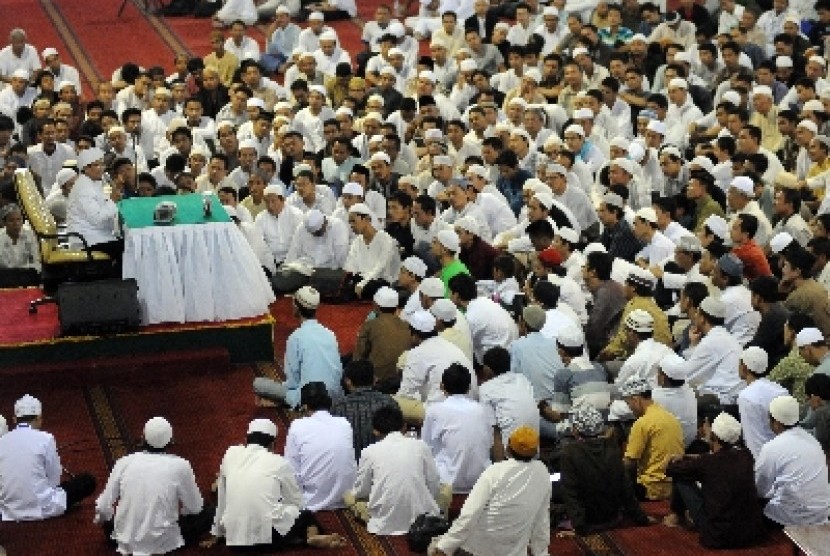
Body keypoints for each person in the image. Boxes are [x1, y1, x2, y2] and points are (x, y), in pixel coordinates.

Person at [203, 418, 347, 550]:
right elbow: (296, 502)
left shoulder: (231, 453)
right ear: (272, 444)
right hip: (270, 540)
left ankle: (298, 538)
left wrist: (216, 533)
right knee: (305, 514)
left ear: (246, 440)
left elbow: (222, 498)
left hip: (234, 542)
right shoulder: (279, 462)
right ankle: (310, 536)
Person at [94, 417, 212, 554]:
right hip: (162, 543)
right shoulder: (181, 466)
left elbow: (102, 507)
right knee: (210, 513)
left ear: (142, 438)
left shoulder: (124, 463)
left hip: (124, 540)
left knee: (114, 523)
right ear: (171, 441)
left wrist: (107, 521)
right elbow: (195, 508)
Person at [429, 426, 551, 556]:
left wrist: (444, 547)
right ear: (535, 452)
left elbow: (469, 515)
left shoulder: (495, 472)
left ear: (508, 449)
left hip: (477, 551)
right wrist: (541, 553)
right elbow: (542, 521)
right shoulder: (542, 472)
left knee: (433, 544)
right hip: (514, 552)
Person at [664, 412, 766, 549]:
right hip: (751, 535)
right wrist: (687, 456)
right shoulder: (746, 456)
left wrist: (668, 460)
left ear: (714, 436)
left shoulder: (708, 463)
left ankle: (677, 516)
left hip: (717, 536)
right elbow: (713, 458)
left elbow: (671, 470)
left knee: (681, 477)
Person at [345, 405, 445, 535]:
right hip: (423, 518)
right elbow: (433, 482)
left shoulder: (369, 452)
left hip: (383, 523)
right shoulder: (421, 446)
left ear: (375, 431)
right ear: (404, 427)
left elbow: (361, 491)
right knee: (445, 489)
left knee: (349, 496)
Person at [558, 405, 652, 537]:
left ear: (575, 430)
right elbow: (626, 488)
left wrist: (579, 527)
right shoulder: (612, 447)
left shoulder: (569, 452)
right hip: (613, 517)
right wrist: (641, 518)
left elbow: (570, 492)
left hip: (589, 522)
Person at [0, 395, 96, 521]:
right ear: (39, 419)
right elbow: (54, 478)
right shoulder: (46, 439)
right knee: (87, 481)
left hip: (8, 511)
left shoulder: (2, 441)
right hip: (44, 508)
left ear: (14, 419)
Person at [253, 286, 343, 408]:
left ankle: (287, 404)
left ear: (296, 307)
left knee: (258, 384)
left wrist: (288, 394)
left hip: (309, 398)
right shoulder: (329, 333)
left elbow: (293, 381)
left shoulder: (296, 338)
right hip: (335, 396)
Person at [755, 395, 830, 526]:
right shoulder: (812, 440)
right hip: (822, 513)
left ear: (777, 423)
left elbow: (760, 489)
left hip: (794, 518)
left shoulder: (771, 447)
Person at [395, 310, 476, 424]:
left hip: (441, 412)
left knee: (394, 402)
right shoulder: (447, 344)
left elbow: (405, 393)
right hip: (469, 405)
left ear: (414, 335)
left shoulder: (418, 353)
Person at [285, 382, 356, 511]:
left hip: (311, 502)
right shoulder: (344, 423)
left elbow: (292, 470)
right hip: (345, 499)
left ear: (305, 406)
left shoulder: (297, 425)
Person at [422, 364, 491, 494]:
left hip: (447, 483)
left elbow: (427, 448)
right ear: (469, 387)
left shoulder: (434, 411)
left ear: (442, 386)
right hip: (481, 480)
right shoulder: (482, 410)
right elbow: (488, 443)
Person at [621, 377, 684, 500]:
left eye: (629, 404)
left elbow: (629, 463)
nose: (630, 409)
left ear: (636, 399)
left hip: (651, 488)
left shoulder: (642, 423)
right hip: (675, 485)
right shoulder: (670, 417)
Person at [65, 146, 123, 273]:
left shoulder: (93, 183)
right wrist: (113, 200)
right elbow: (98, 219)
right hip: (87, 240)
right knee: (126, 247)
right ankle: (115, 284)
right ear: (86, 168)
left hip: (98, 236)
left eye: (102, 164)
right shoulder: (84, 188)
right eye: (97, 165)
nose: (102, 168)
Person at [478, 346, 538, 460]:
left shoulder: (485, 389)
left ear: (488, 369)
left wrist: (500, 468)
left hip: (510, 454)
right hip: (533, 447)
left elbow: (493, 430)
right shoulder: (522, 379)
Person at [331, 361, 397, 458]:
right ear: (374, 379)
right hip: (383, 464)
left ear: (348, 381)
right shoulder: (389, 403)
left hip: (350, 467)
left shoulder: (338, 407)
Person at [737, 347, 789, 459]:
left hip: (765, 459)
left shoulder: (747, 396)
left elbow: (753, 439)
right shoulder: (780, 390)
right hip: (785, 453)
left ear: (745, 368)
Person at [353, 286, 412, 385]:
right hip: (402, 379)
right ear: (396, 306)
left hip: (378, 381)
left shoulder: (370, 325)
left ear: (376, 305)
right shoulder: (407, 325)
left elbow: (358, 357)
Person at [344, 203, 402, 300]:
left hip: (382, 280)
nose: (351, 225)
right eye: (350, 222)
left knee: (372, 287)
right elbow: (350, 265)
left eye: (354, 221)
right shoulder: (357, 241)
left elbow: (381, 267)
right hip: (363, 278)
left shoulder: (385, 239)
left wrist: (362, 284)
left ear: (366, 219)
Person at [510, 304, 566, 403]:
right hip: (561, 404)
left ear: (523, 323)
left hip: (538, 407)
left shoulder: (517, 346)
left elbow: (513, 377)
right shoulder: (554, 343)